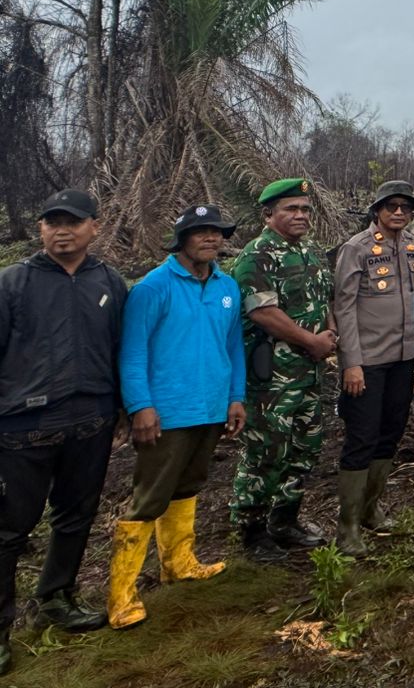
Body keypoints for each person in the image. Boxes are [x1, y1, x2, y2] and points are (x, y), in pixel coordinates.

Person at [0, 191, 126, 668]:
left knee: (75, 517)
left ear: (95, 226)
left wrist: (123, 410)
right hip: (24, 427)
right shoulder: (13, 283)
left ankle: (57, 597)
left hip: (90, 421)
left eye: (72, 222)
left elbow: (121, 349)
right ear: (40, 230)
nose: (62, 230)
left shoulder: (110, 282)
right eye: (52, 222)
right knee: (10, 530)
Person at [110, 205, 245, 630]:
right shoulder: (154, 287)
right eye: (200, 232)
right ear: (182, 238)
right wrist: (140, 407)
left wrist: (235, 397)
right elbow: (131, 353)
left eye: (217, 233)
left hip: (210, 407)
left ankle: (179, 563)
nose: (210, 239)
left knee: (189, 486)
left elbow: (234, 346)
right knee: (149, 496)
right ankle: (121, 594)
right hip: (166, 412)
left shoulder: (227, 286)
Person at [231, 178, 335, 562]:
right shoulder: (256, 256)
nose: (300, 216)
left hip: (308, 373)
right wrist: (311, 342)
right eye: (291, 209)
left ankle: (285, 519)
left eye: (305, 209)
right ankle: (252, 529)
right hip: (271, 375)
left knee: (305, 446)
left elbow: (325, 299)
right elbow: (262, 311)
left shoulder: (311, 252)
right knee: (267, 450)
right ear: (268, 214)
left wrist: (329, 332)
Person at [331, 181, 414, 554]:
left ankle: (371, 509)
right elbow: (344, 308)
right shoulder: (356, 249)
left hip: (402, 360)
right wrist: (350, 363)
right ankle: (348, 525)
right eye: (391, 206)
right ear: (377, 211)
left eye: (405, 207)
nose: (398, 212)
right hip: (366, 363)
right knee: (361, 439)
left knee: (390, 434)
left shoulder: (413, 246)